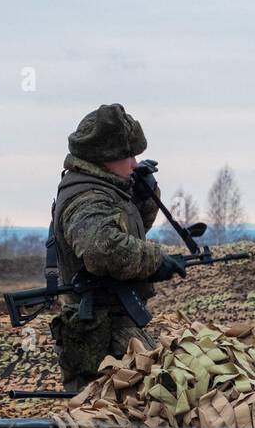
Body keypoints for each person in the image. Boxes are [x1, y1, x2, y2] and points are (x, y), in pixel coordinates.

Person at [47, 104, 187, 390]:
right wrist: (155, 261)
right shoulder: (87, 197)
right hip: (99, 336)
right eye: (128, 156)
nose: (135, 163)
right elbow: (103, 250)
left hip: (114, 327)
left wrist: (145, 193)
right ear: (105, 159)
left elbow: (132, 230)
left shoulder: (107, 190)